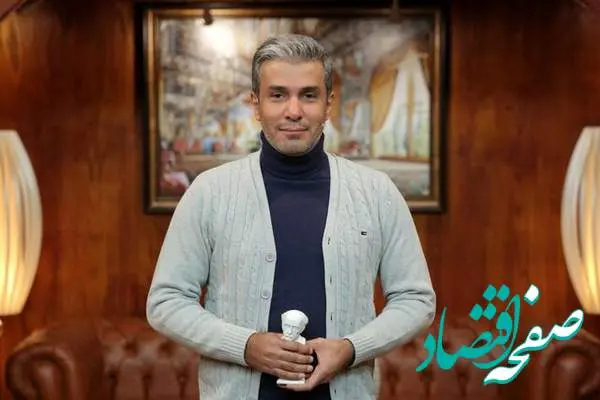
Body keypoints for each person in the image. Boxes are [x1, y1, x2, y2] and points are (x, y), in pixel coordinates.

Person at [146, 33, 436, 400]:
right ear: (256, 103)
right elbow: (166, 301)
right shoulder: (210, 192)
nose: (294, 111)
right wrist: (245, 346)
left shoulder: (377, 192)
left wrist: (351, 349)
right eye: (278, 95)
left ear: (328, 104)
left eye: (309, 95)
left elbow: (416, 299)